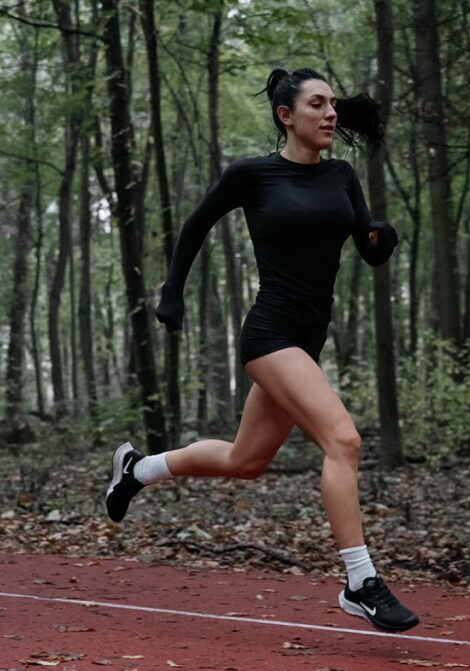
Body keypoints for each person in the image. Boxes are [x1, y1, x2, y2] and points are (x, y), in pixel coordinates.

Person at [105, 67, 417, 633]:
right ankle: (360, 581)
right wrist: (171, 292)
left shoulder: (343, 176)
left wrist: (383, 238)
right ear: (286, 115)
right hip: (270, 335)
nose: (330, 114)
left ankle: (137, 469)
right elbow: (196, 226)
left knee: (245, 461)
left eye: (333, 105)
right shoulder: (253, 176)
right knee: (343, 440)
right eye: (317, 104)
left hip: (308, 339)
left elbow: (369, 248)